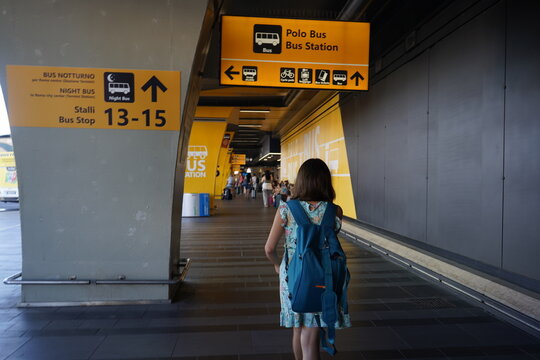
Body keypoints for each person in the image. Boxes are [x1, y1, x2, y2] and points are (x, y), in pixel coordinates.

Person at [264, 159, 350, 360]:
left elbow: (269, 248)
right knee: (311, 331)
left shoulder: (286, 209)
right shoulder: (334, 211)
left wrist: (278, 265)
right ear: (326, 182)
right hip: (324, 277)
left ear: (300, 181)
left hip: (293, 278)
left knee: (299, 327)